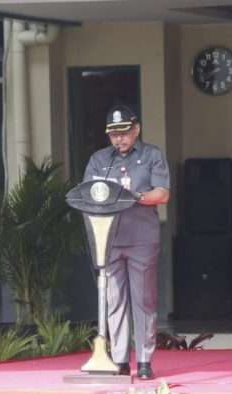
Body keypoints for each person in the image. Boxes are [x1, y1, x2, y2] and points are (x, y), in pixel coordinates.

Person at [83, 105, 170, 379]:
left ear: (136, 129)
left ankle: (144, 360)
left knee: (143, 300)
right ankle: (120, 360)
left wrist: (136, 196)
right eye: (113, 134)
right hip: (109, 239)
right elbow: (87, 193)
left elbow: (162, 194)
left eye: (124, 132)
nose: (119, 139)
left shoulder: (151, 155)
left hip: (141, 239)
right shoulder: (99, 159)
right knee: (115, 300)